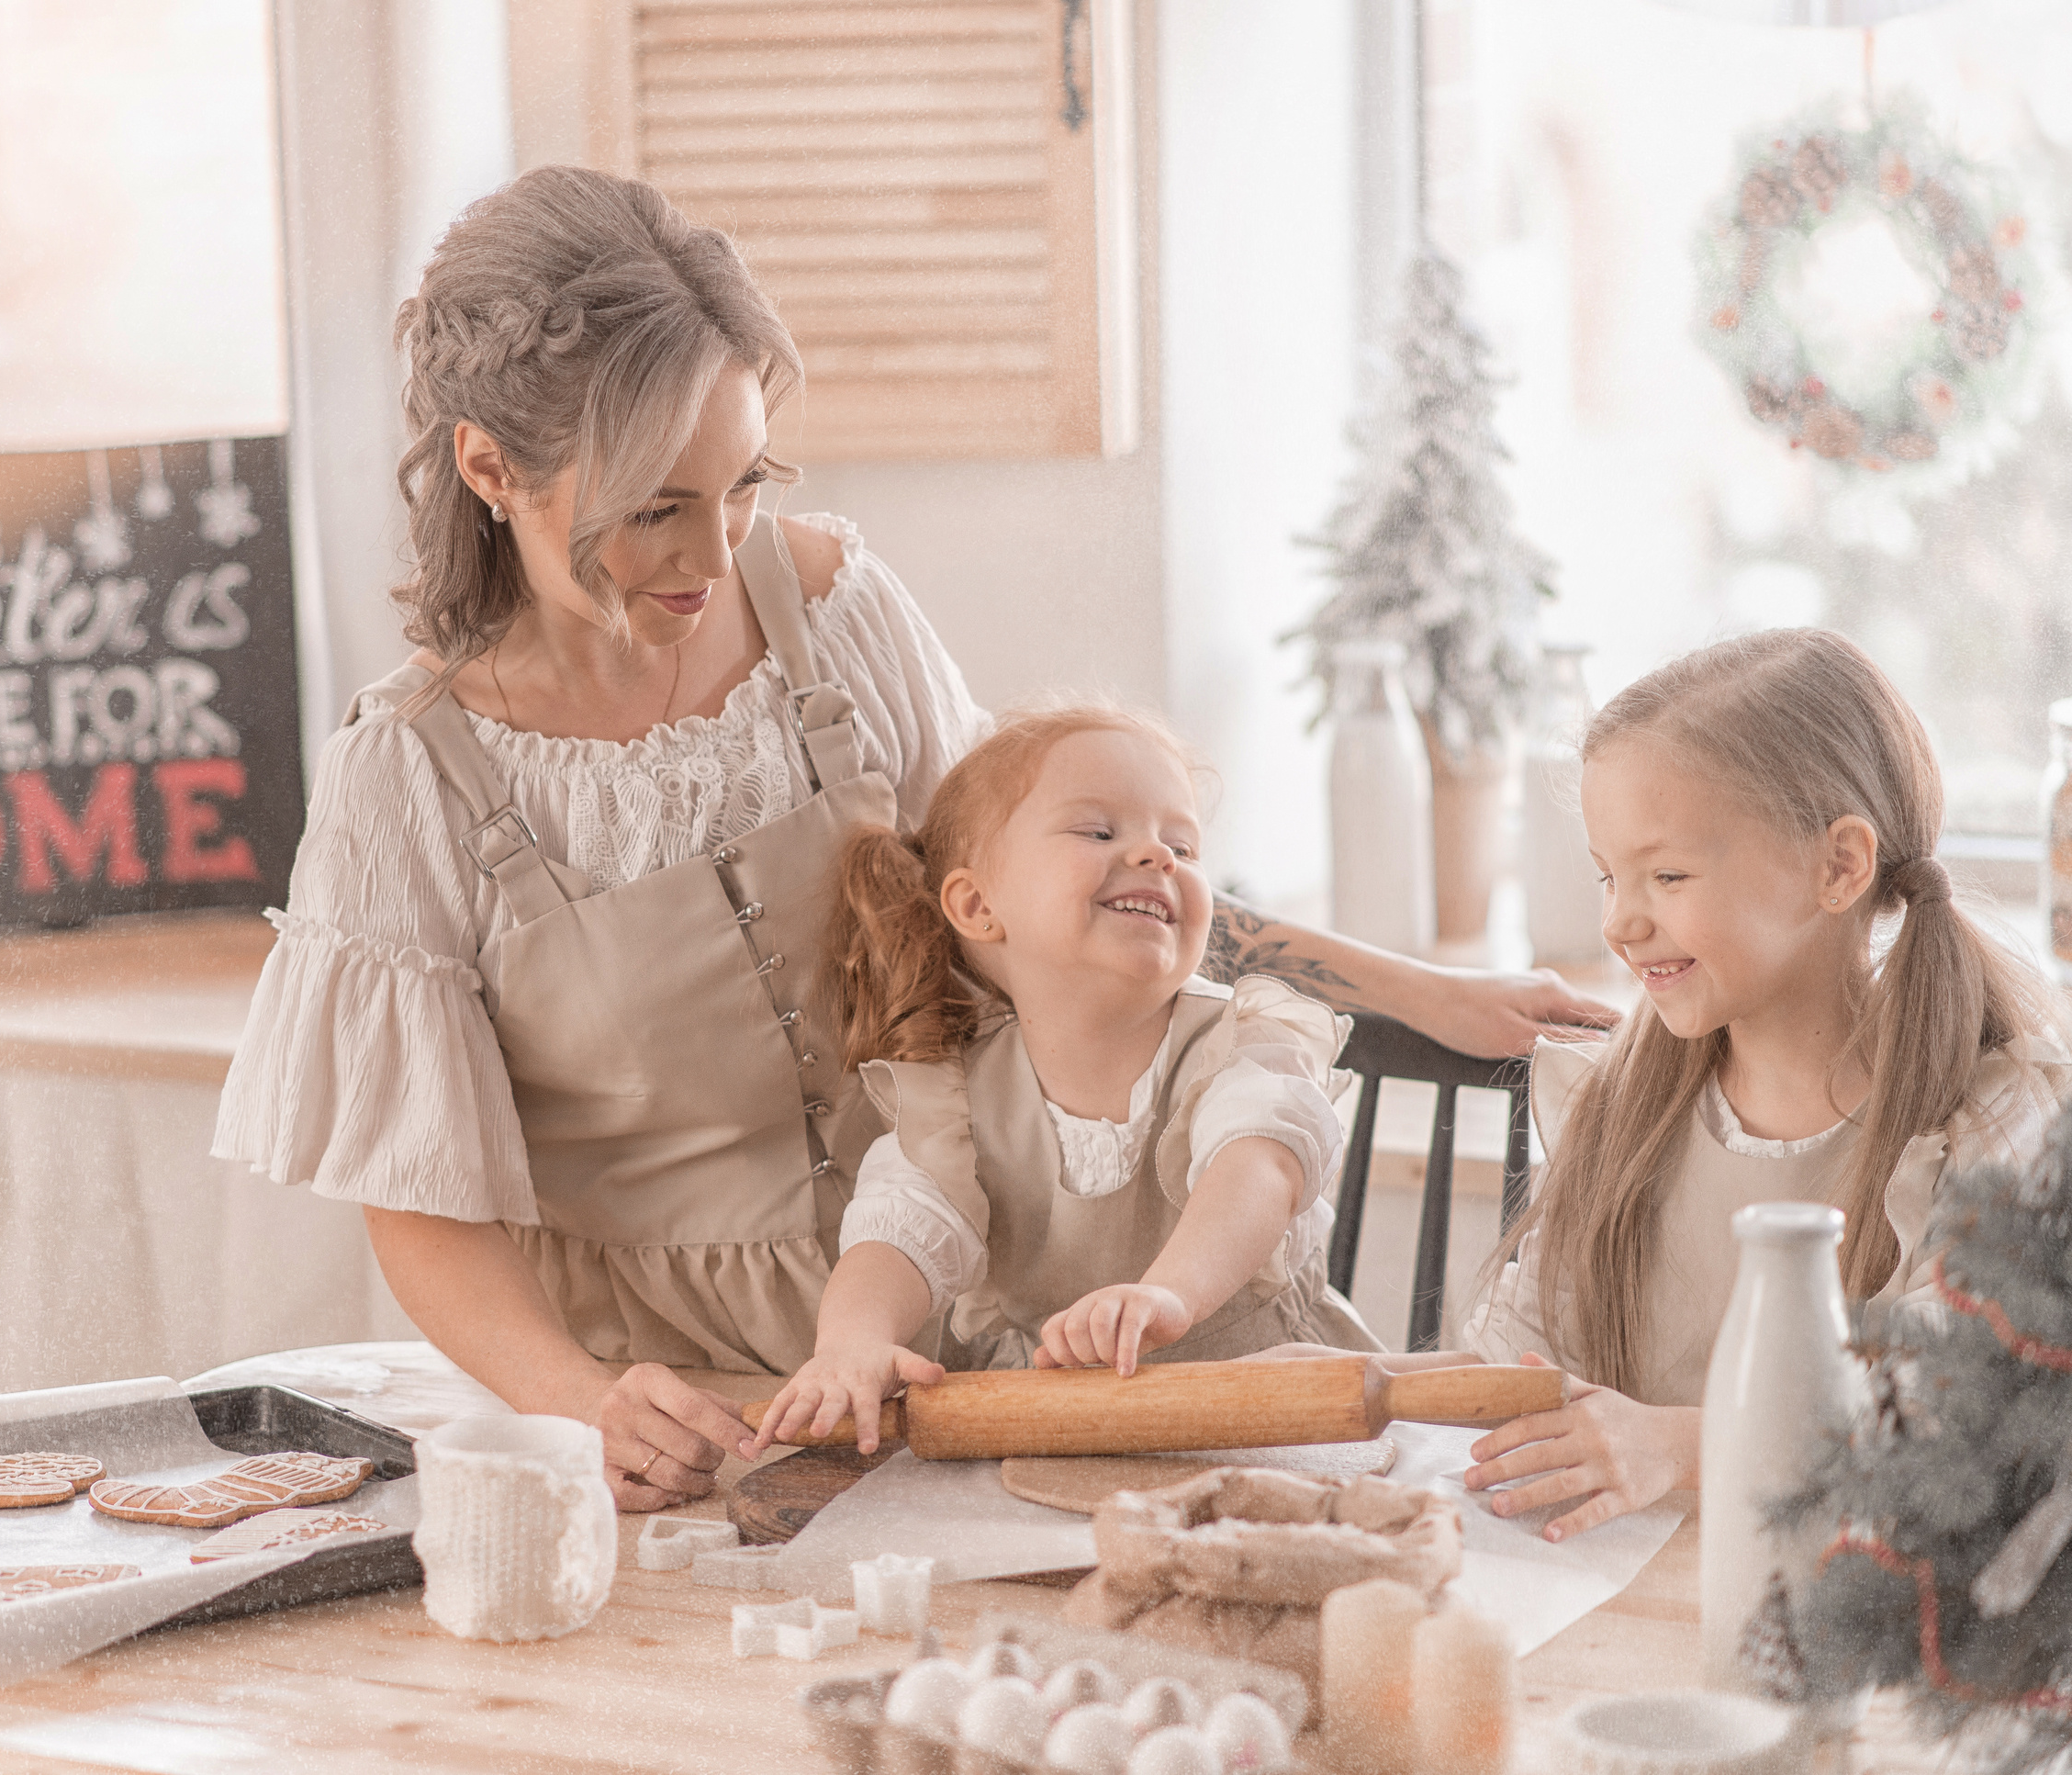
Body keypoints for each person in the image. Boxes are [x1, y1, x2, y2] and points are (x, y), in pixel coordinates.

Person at [213, 164, 1613, 1512]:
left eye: (746, 483)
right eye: (656, 512)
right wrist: (585, 1400)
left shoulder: (831, 607)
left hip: (968, 1325)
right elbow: (416, 1202)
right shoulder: (411, 778)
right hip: (699, 1405)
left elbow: (1057, 892)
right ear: (488, 468)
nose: (715, 557)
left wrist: (1413, 991)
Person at [1458, 629, 2070, 1541]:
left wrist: (1681, 1446)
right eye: (1607, 876)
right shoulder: (1618, 1100)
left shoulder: (1992, 1118)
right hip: (1639, 1602)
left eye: (1665, 874)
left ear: (1838, 867)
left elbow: (1956, 1415)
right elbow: (1528, 1350)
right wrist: (1381, 1391)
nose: (1621, 921)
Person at [745, 706, 1375, 1453]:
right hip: (1054, 1422)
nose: (1159, 855)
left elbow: (1257, 1169)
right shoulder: (952, 1098)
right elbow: (898, 1234)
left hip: (1260, 1408)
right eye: (1099, 831)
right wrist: (850, 1341)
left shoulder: (1242, 1046)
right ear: (978, 905)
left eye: (1182, 842)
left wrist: (1169, 1294)